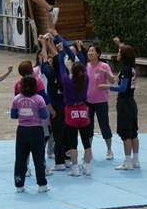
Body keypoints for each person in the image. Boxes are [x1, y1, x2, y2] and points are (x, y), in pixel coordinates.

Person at [98, 37, 140, 170]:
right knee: (133, 132)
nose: (117, 54)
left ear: (124, 56)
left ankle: (128, 162)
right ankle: (135, 160)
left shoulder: (126, 70)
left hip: (125, 103)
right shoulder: (130, 67)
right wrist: (119, 44)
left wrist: (107, 87)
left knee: (126, 132)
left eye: (119, 52)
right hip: (131, 103)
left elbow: (122, 88)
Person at [56, 35, 91, 177]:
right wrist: (79, 50)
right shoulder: (86, 78)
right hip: (83, 110)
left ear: (71, 71)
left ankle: (75, 169)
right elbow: (82, 62)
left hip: (71, 112)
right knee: (86, 143)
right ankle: (87, 168)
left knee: (72, 143)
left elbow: (60, 67)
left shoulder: (66, 81)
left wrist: (60, 52)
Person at [14, 60, 54, 177]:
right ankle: (42, 168)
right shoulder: (37, 81)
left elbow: (16, 100)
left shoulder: (17, 83)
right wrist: (51, 110)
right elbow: (44, 97)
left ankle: (26, 168)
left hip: (23, 118)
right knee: (40, 144)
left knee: (23, 147)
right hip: (37, 117)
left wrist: (19, 113)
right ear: (31, 70)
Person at [11, 75, 50, 193]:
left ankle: (19, 184)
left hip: (22, 130)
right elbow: (44, 116)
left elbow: (13, 116)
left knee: (20, 158)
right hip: (36, 130)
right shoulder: (39, 99)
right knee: (38, 158)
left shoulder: (16, 99)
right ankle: (42, 185)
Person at [40, 35, 69, 172]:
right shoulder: (65, 73)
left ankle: (60, 162)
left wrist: (44, 44)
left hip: (55, 109)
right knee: (67, 133)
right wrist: (53, 45)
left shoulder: (50, 74)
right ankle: (67, 158)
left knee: (57, 135)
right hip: (66, 106)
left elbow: (45, 57)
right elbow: (59, 59)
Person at [86, 44, 115, 160]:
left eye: (92, 51)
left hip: (101, 101)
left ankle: (109, 149)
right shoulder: (86, 66)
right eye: (89, 51)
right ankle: (89, 150)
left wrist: (105, 72)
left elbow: (112, 81)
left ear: (98, 54)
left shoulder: (104, 66)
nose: (90, 53)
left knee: (104, 124)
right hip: (88, 101)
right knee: (88, 126)